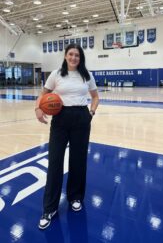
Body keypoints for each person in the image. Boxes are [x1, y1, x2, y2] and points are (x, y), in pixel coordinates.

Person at [35, 43, 99, 230]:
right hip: (60, 119)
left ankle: (76, 197)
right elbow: (44, 93)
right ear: (65, 56)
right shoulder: (56, 74)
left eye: (77, 55)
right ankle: (49, 208)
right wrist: (38, 107)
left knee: (78, 161)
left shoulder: (86, 75)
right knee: (55, 162)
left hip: (81, 118)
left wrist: (91, 113)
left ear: (81, 58)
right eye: (70, 54)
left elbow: (95, 96)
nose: (73, 58)